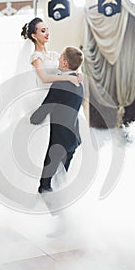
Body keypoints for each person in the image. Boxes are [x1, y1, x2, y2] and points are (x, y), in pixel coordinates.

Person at [30, 46, 84, 194]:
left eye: (60, 58)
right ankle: (62, 205)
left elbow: (45, 108)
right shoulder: (80, 84)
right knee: (61, 178)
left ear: (65, 63)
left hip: (59, 140)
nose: (58, 60)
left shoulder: (60, 84)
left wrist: (31, 120)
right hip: (73, 138)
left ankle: (50, 209)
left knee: (46, 184)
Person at [21, 17, 81, 86]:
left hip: (58, 90)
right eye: (43, 31)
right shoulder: (36, 58)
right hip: (44, 93)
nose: (47, 33)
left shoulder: (53, 55)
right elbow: (44, 78)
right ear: (34, 36)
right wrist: (68, 78)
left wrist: (79, 73)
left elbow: (71, 60)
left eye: (47, 30)